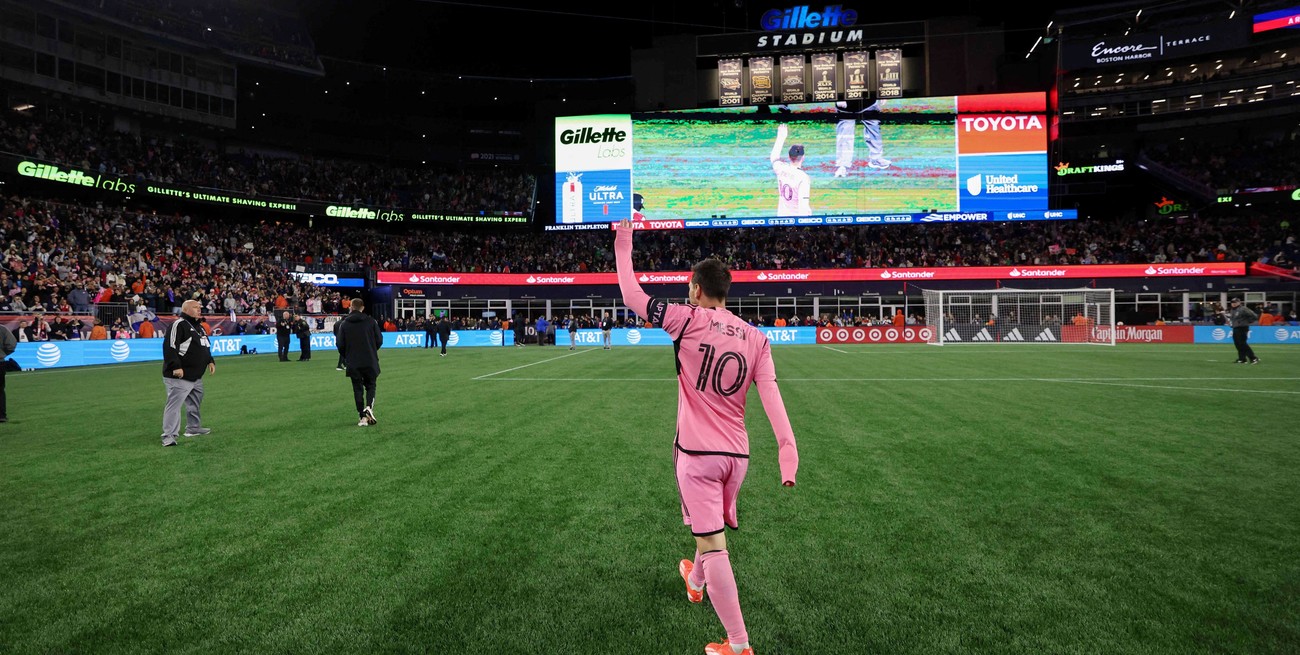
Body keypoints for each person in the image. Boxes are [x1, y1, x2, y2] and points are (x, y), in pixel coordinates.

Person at [613, 219, 799, 655]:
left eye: (689, 287)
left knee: (714, 545)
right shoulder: (757, 339)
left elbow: (631, 295)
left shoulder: (686, 318)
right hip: (737, 458)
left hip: (697, 455)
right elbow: (772, 399)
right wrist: (787, 454)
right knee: (708, 527)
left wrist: (624, 240)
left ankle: (739, 644)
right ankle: (694, 580)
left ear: (696, 289)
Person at [160, 300, 215, 447]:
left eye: (199, 307)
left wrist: (210, 361)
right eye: (195, 307)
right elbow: (170, 346)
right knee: (174, 405)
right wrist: (175, 366)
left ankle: (193, 428)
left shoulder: (199, 327)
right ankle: (169, 436)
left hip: (196, 376)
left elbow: (205, 346)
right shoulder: (178, 324)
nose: (199, 309)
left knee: (194, 403)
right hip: (180, 375)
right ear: (186, 309)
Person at [336, 298, 382, 427]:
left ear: (351, 307)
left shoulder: (344, 324)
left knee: (357, 389)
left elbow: (340, 344)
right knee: (371, 385)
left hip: (353, 361)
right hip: (369, 360)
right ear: (362, 307)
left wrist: (347, 356)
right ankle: (369, 407)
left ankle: (362, 417)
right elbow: (379, 340)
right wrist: (372, 350)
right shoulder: (371, 322)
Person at [834, 99, 891, 177]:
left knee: (874, 130)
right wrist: (839, 97)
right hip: (847, 106)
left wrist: (882, 96)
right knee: (845, 134)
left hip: (868, 101)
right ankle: (842, 166)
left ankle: (876, 159)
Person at [769, 123, 811, 217]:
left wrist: (781, 137)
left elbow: (774, 157)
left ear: (789, 156)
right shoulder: (803, 178)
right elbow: (803, 207)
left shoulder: (781, 168)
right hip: (796, 221)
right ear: (803, 157)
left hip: (781, 218)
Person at [1227, 297, 1259, 364]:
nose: (1233, 304)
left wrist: (1247, 322)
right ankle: (1242, 359)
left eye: (1235, 302)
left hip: (1242, 328)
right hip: (1235, 328)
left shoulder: (1243, 309)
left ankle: (1253, 358)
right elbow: (1234, 319)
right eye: (1232, 302)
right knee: (1237, 344)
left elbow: (1254, 316)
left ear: (1239, 302)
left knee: (1242, 344)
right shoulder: (1232, 310)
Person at [0, 323, 14, 423]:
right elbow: (11, 345)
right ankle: (1, 416)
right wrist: (3, 354)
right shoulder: (2, 329)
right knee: (0, 390)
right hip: (0, 362)